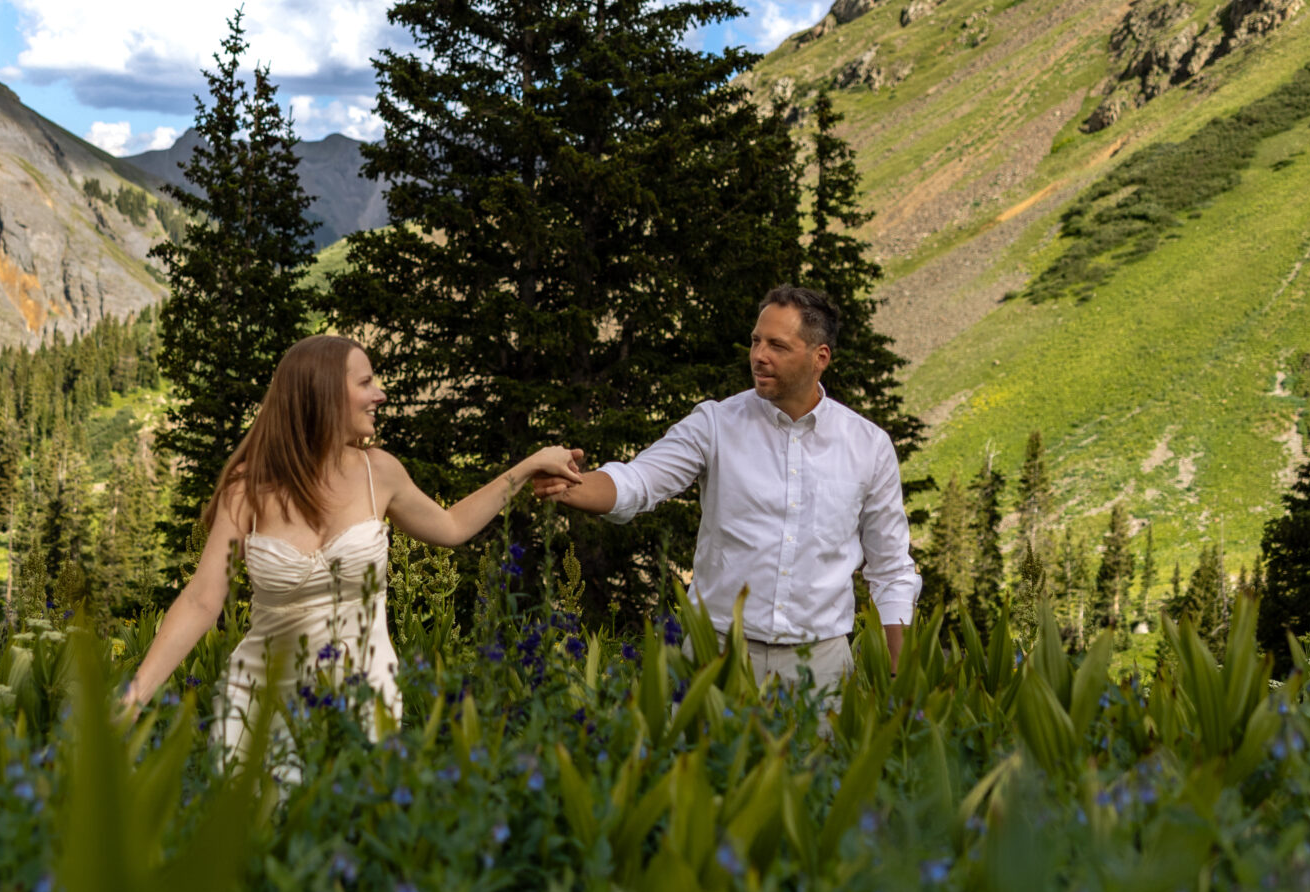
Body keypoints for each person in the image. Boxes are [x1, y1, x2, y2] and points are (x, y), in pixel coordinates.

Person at [121, 332, 581, 759]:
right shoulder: (249, 488)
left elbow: (453, 525)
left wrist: (527, 467)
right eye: (366, 382)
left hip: (366, 701)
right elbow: (202, 601)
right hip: (256, 707)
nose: (380, 393)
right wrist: (134, 696)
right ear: (322, 393)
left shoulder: (377, 472)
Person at [537, 284, 918, 695]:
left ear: (819, 357)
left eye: (777, 345)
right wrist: (573, 486)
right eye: (756, 341)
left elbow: (891, 571)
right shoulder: (715, 424)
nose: (758, 355)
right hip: (713, 658)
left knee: (818, 763)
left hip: (821, 671)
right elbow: (639, 481)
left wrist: (897, 678)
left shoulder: (868, 445)